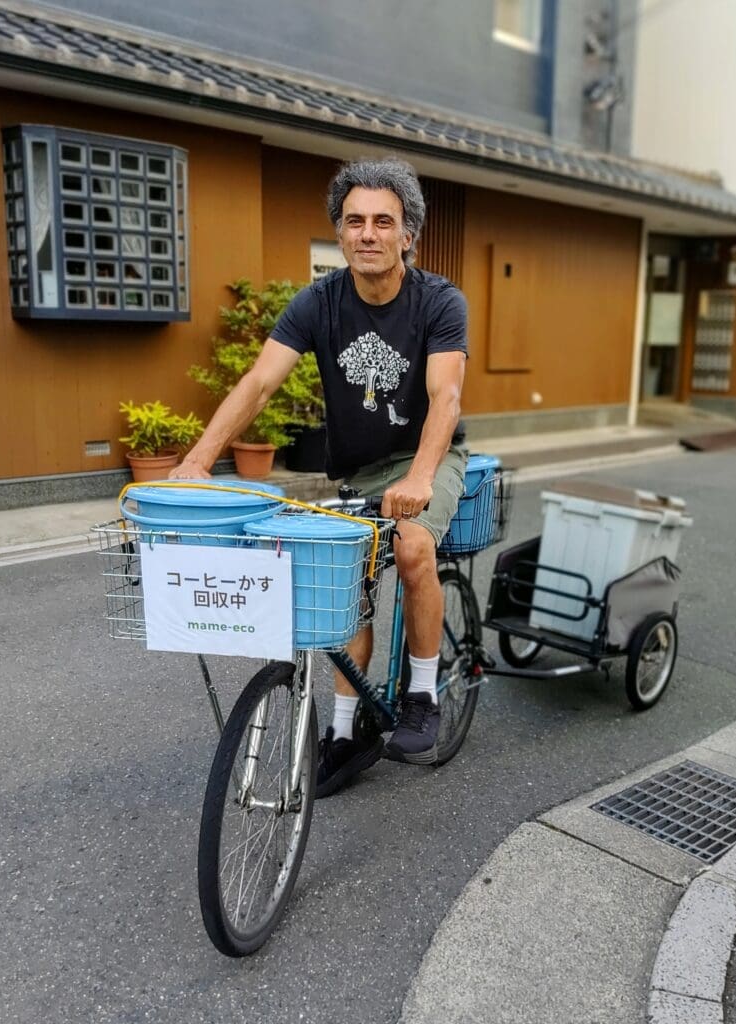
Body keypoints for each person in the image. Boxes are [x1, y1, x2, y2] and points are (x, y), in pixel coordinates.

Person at [170, 156, 468, 798]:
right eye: (354, 220)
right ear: (340, 233)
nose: (367, 233)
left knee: (413, 545)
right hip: (359, 468)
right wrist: (199, 459)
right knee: (340, 581)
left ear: (407, 234)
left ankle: (420, 696)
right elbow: (259, 381)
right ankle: (341, 730)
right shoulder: (319, 302)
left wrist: (419, 476)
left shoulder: (439, 302)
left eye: (382, 221)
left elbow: (445, 398)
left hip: (428, 458)